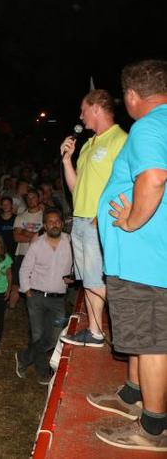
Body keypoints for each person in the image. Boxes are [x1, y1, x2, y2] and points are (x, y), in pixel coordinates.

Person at [91, 59, 167, 451]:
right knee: (142, 336)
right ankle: (133, 394)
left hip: (145, 260)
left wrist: (133, 221)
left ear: (134, 96)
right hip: (149, 259)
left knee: (153, 342)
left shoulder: (150, 126)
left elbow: (154, 176)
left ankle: (153, 429)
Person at [59, 89, 128, 348]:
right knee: (89, 280)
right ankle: (96, 332)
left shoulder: (120, 139)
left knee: (99, 280)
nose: (80, 115)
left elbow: (127, 183)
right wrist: (67, 161)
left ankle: (130, 330)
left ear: (97, 107)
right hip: (80, 220)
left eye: (83, 110)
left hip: (98, 222)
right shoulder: (88, 144)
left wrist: (105, 215)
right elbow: (77, 189)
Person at [14, 208, 72, 384]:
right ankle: (43, 373)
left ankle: (23, 358)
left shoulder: (70, 242)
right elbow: (24, 269)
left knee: (54, 337)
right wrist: (27, 291)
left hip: (58, 300)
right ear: (45, 225)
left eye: (57, 221)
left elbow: (77, 262)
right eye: (50, 222)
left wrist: (73, 276)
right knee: (38, 335)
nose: (54, 224)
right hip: (37, 298)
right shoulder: (37, 244)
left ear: (61, 224)